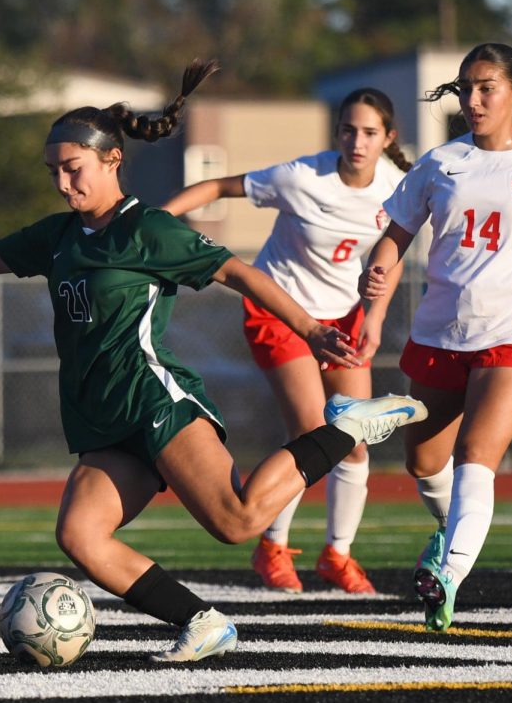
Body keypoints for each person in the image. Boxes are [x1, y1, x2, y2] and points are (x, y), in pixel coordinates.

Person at [0, 58, 426, 663]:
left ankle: (344, 427)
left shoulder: (145, 228)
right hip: (101, 418)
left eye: (74, 170)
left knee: (239, 520)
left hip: (153, 401)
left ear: (112, 161)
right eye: (54, 173)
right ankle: (201, 621)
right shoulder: (59, 235)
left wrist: (309, 327)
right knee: (80, 536)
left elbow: (235, 270)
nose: (63, 184)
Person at [359, 43, 512, 632]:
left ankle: (449, 573)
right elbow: (396, 234)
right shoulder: (440, 162)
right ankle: (451, 532)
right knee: (423, 462)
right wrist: (378, 269)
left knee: (477, 457)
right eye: (465, 87)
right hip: (440, 334)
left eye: (486, 87)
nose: (472, 99)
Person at [162, 88, 411, 594]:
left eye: (369, 133)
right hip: (280, 311)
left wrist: (376, 316)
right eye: (348, 130)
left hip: (342, 317)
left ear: (388, 137)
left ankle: (337, 555)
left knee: (356, 437)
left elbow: (394, 252)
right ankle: (272, 547)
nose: (356, 142)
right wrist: (153, 224)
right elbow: (215, 187)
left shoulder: (399, 187)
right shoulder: (302, 177)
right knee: (315, 427)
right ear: (336, 132)